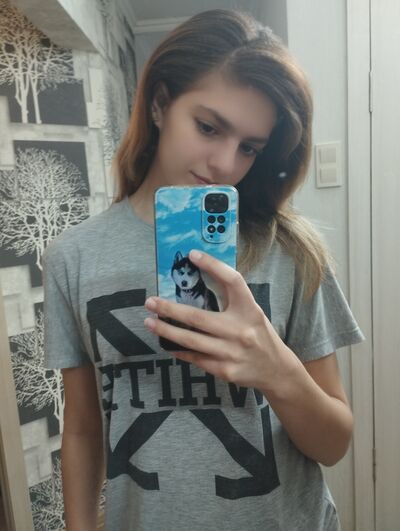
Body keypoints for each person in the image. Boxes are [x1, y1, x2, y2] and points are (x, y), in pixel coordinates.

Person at [43, 9, 365, 531]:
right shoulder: (73, 256)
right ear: (159, 103)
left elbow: (334, 444)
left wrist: (278, 372)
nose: (224, 164)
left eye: (249, 148)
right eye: (209, 127)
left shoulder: (292, 252)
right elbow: (81, 427)